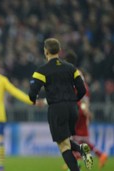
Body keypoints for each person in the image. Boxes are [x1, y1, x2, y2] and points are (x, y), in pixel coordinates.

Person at [28, 38, 93, 171]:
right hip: (73, 109)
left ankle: (78, 160)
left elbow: (32, 92)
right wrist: (73, 101)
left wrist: (34, 100)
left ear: (46, 51)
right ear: (59, 51)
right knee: (65, 141)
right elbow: (82, 90)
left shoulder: (42, 71)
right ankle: (81, 149)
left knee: (63, 146)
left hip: (57, 109)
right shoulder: (71, 68)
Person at [63, 50, 108, 170]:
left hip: (78, 108)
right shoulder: (77, 73)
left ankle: (76, 163)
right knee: (82, 139)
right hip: (80, 107)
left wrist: (84, 108)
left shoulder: (73, 74)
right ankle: (96, 157)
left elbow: (81, 93)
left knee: (75, 138)